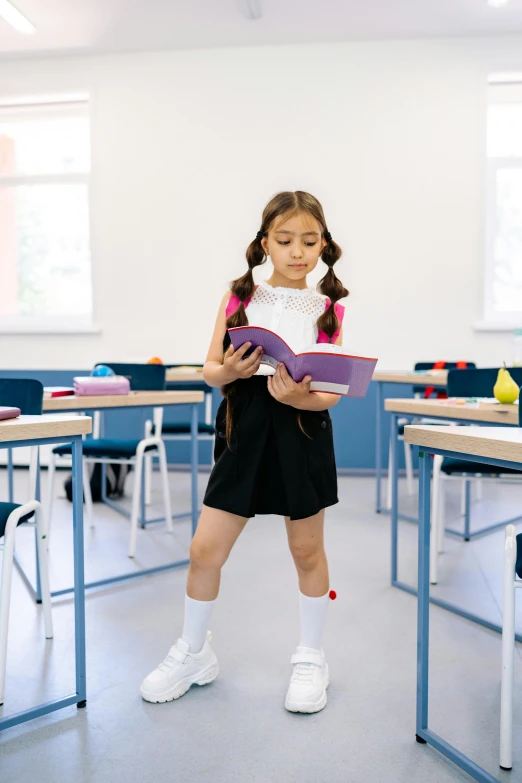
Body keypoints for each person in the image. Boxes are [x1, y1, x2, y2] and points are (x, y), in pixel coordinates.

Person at [140, 190, 348, 713]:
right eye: (284, 241)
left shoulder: (329, 308)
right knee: (204, 550)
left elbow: (331, 392)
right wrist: (229, 371)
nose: (297, 251)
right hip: (243, 424)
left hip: (302, 426)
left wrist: (303, 395)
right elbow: (210, 370)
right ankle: (193, 651)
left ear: (323, 245)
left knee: (306, 551)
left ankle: (311, 656)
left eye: (308, 241)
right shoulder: (238, 298)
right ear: (264, 245)